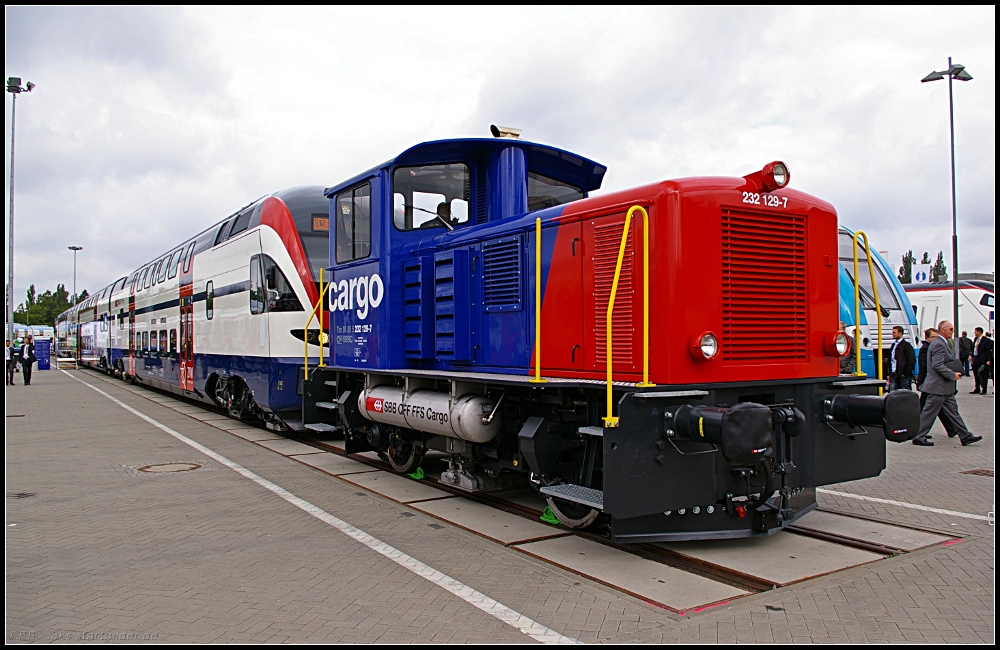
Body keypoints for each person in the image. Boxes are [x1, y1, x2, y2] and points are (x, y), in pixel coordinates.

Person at [911, 321, 982, 447]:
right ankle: (919, 436)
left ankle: (965, 436)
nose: (952, 331)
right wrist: (952, 374)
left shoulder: (941, 343)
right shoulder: (939, 344)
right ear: (942, 330)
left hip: (944, 387)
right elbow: (937, 365)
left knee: (953, 412)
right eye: (950, 329)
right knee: (929, 413)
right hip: (938, 386)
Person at [887, 325, 915, 391]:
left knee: (905, 394)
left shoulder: (906, 345)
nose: (892, 334)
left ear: (900, 333)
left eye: (894, 332)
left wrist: (905, 373)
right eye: (892, 332)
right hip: (894, 374)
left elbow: (911, 360)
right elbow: (890, 360)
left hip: (903, 375)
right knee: (893, 394)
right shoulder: (894, 345)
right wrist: (888, 373)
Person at [970, 329, 993, 395]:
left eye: (975, 331)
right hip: (976, 359)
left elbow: (988, 351)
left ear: (979, 332)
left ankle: (984, 389)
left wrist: (988, 360)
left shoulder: (986, 340)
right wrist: (972, 355)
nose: (974, 333)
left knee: (983, 375)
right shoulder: (975, 339)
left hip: (983, 360)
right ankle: (977, 388)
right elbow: (974, 348)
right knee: (976, 374)